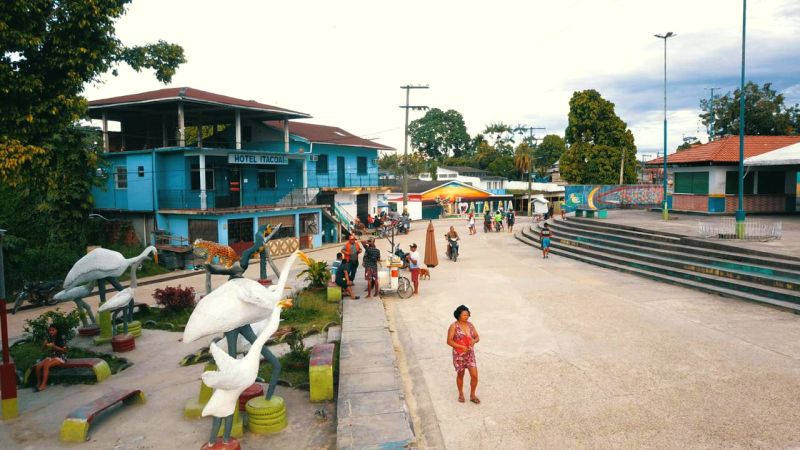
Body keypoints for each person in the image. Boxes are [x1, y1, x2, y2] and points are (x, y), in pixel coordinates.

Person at [446, 305, 480, 404]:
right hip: (459, 355)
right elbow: (449, 341)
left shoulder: (470, 325)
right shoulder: (453, 326)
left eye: (467, 315)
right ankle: (461, 393)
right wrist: (461, 347)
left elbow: (477, 337)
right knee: (460, 374)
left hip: (470, 354)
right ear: (458, 315)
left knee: (474, 375)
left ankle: (472, 395)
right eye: (464, 315)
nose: (467, 317)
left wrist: (474, 341)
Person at [34, 325, 67, 392]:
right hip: (51, 356)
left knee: (46, 365)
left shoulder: (61, 338)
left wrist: (54, 346)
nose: (51, 332)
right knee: (38, 366)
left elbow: (64, 350)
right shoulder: (49, 338)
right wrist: (44, 345)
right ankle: (38, 383)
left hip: (60, 357)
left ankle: (43, 385)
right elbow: (42, 350)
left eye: (53, 330)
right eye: (50, 330)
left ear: (57, 330)